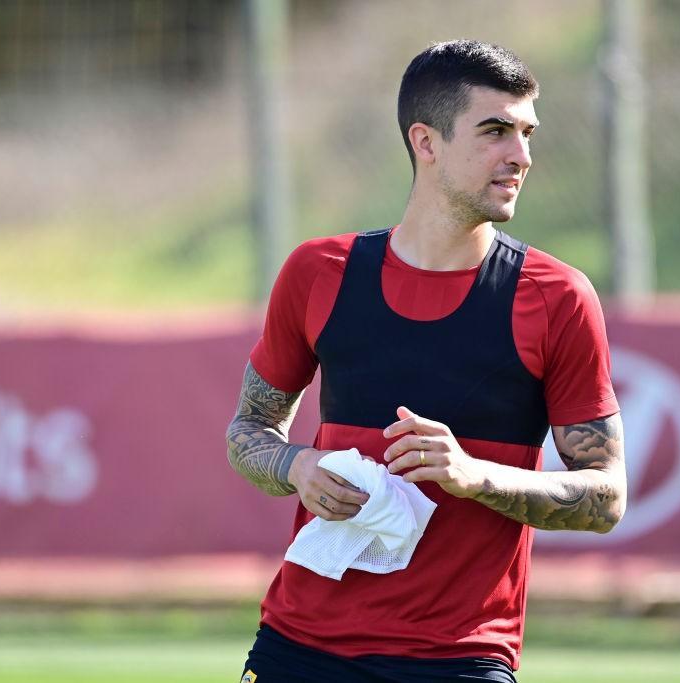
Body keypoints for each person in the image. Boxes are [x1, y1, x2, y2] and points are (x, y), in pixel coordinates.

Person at [226, 39, 626, 683]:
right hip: (298, 646)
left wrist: (475, 476)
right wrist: (298, 465)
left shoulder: (557, 297)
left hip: (461, 660)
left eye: (526, 133)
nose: (520, 156)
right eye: (495, 131)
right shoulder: (318, 272)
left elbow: (605, 497)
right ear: (426, 141)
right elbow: (248, 430)